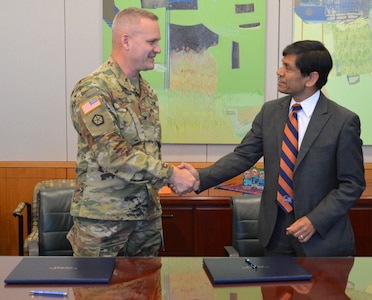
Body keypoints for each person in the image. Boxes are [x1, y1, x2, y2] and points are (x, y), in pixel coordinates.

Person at [176, 40, 366, 257]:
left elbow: (352, 184)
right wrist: (200, 177)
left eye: (287, 67)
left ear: (311, 78)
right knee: (275, 292)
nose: (279, 72)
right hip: (275, 236)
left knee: (318, 293)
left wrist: (315, 220)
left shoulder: (343, 121)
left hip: (322, 240)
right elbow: (243, 156)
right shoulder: (270, 112)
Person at [67, 7, 196, 257]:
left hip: (145, 220)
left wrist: (172, 176)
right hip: (104, 224)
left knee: (146, 292)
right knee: (98, 295)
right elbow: (111, 154)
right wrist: (171, 175)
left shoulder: (146, 92)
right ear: (125, 40)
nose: (158, 49)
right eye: (152, 41)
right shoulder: (93, 90)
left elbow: (145, 152)